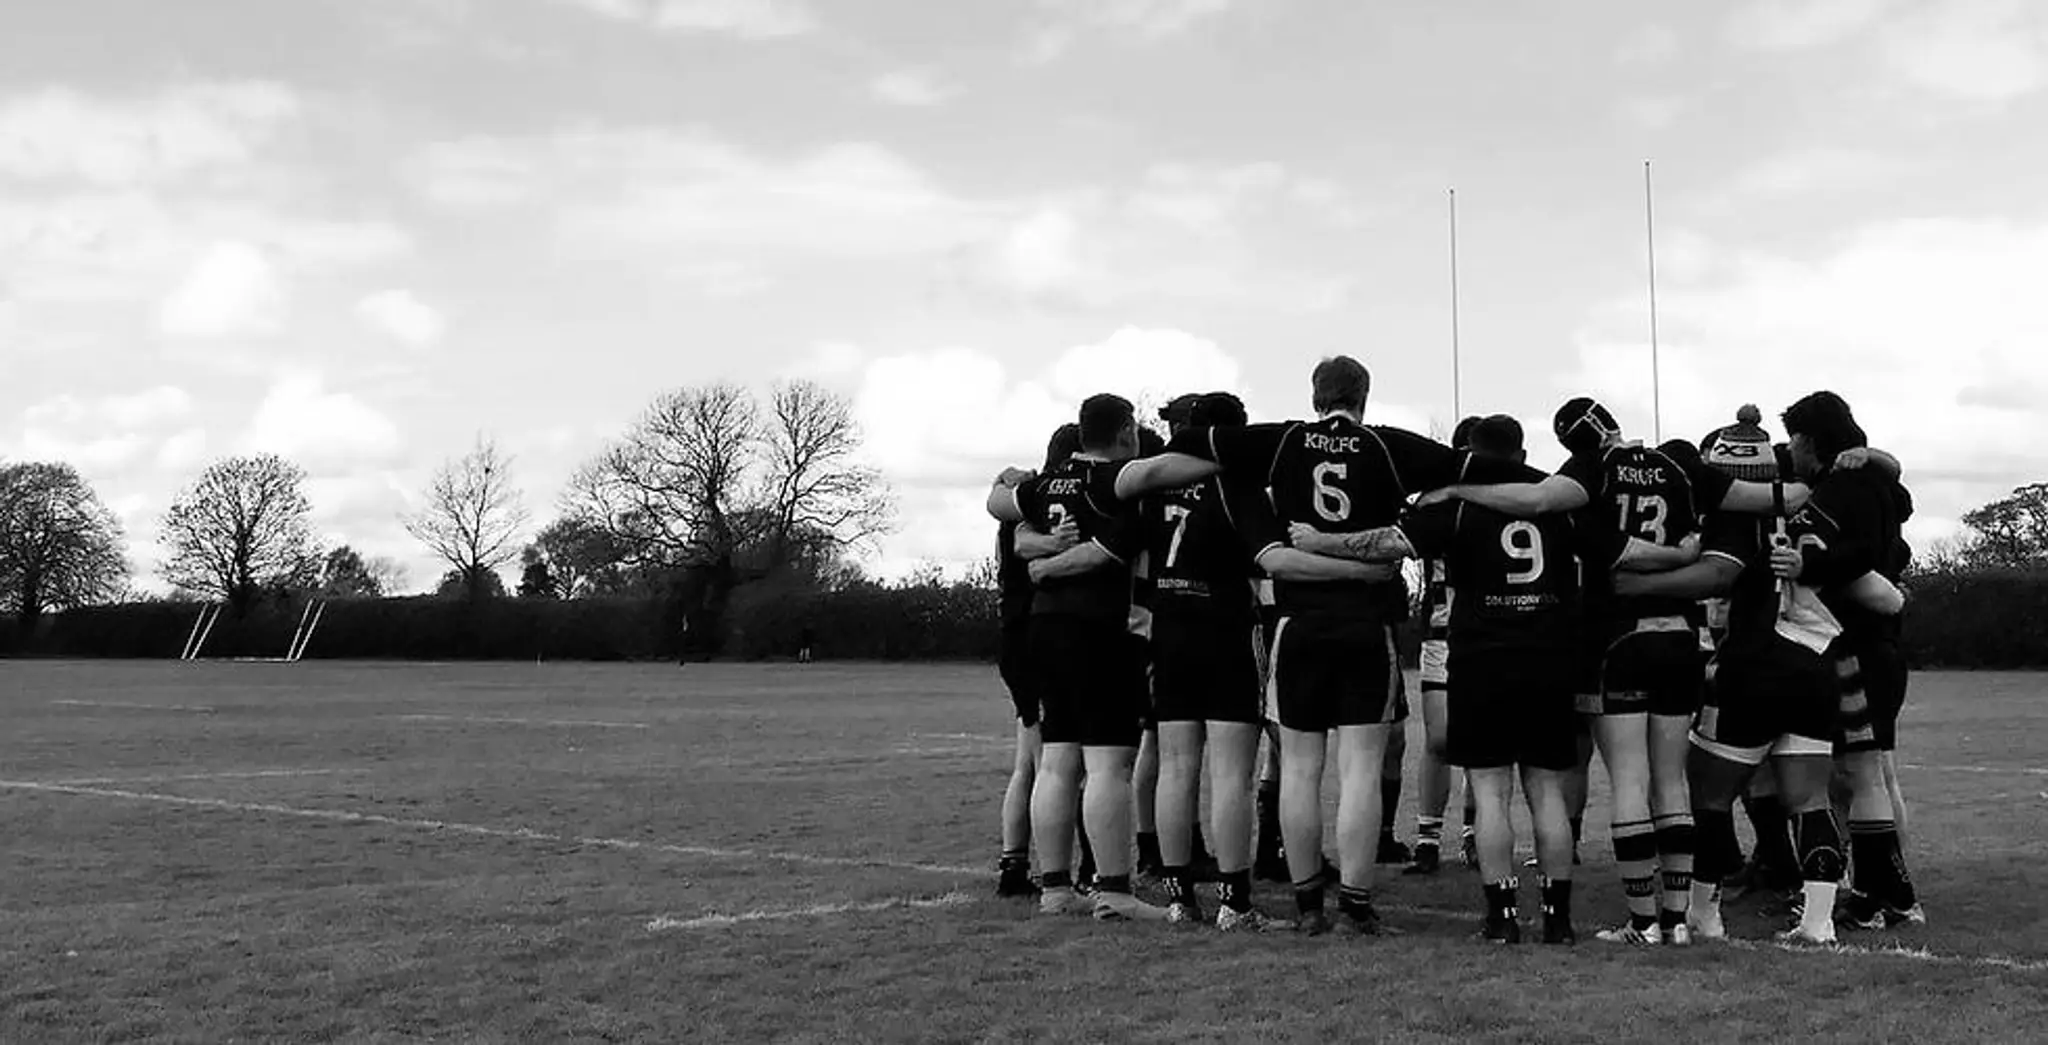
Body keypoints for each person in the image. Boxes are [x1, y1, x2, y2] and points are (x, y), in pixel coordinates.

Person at [1110, 356, 1523, 935]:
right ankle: (1354, 905)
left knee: (1299, 771)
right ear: (1364, 396)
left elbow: (1193, 438)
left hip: (1296, 626)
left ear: (1314, 395)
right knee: (1358, 771)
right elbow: (1474, 468)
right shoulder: (1385, 447)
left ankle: (1306, 907)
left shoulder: (1282, 444)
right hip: (1364, 625)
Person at [1304, 415, 1696, 944]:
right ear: (1521, 451)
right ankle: (1557, 918)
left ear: (1470, 454)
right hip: (1549, 658)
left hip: (1482, 659)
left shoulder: (1456, 503)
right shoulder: (1556, 501)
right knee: (1546, 791)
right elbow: (1624, 553)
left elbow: (1387, 545)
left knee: (1489, 792)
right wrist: (1683, 553)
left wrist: (1317, 540)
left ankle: (1502, 915)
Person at [1614, 399, 1905, 945]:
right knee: (1811, 800)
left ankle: (1705, 911)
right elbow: (1884, 595)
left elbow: (1716, 574)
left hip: (1751, 665)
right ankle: (1817, 924)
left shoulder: (1733, 519)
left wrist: (1638, 585)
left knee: (1708, 794)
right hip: (1813, 664)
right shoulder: (1815, 508)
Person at [987, 394, 1165, 922]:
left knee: (1057, 760)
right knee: (1109, 763)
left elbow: (1004, 508)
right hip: (1104, 629)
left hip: (1046, 629)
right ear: (1127, 431)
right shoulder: (1116, 484)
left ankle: (1056, 888)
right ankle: (1113, 889)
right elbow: (1108, 549)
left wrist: (1039, 554)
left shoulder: (1048, 486)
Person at [1128, 391, 1286, 931]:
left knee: (1175, 768)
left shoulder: (1155, 485)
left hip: (1169, 630)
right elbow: (1268, 561)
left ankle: (1178, 899)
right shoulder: (1236, 484)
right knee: (1231, 774)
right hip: (1224, 630)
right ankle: (1234, 904)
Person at [1770, 392, 1924, 932]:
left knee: (1866, 773)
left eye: (1794, 439)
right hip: (1872, 642)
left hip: (1855, 645)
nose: (1789, 449)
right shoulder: (1868, 482)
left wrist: (1807, 565)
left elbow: (1858, 558)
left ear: (1810, 439)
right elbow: (1898, 496)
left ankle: (1887, 891)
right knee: (1862, 774)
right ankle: (1873, 888)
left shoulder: (1841, 488)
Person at [991, 423, 1085, 899]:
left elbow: (999, 503)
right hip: (1039, 635)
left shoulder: (1020, 499)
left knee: (1027, 759)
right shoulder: (1059, 505)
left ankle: (1014, 864)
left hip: (1013, 635)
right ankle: (1069, 872)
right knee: (1055, 762)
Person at [1403, 414, 1484, 878]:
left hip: (1485, 630)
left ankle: (1474, 832)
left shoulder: (1502, 500)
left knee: (1481, 740)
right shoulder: (1433, 501)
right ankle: (1428, 837)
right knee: (1438, 739)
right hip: (1441, 632)